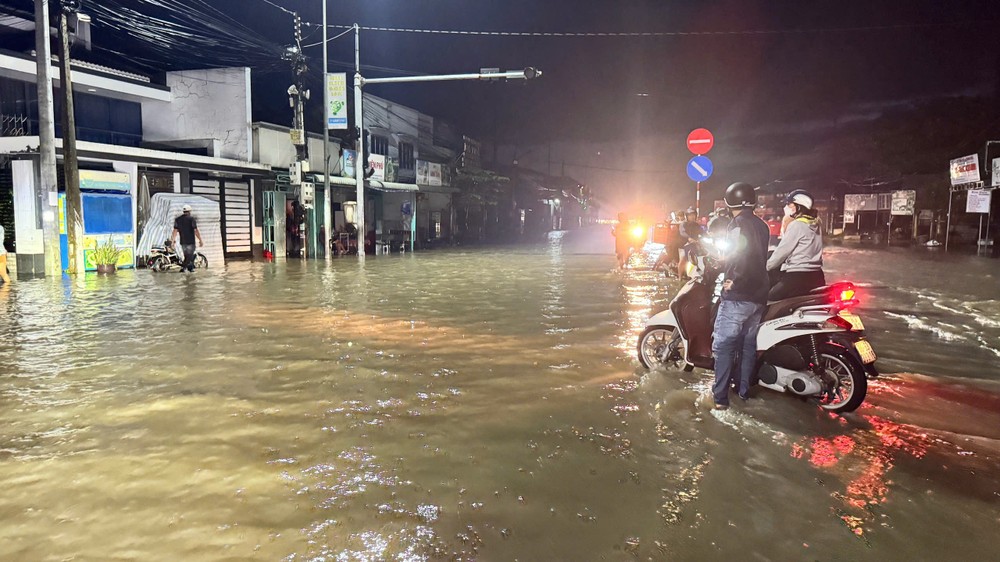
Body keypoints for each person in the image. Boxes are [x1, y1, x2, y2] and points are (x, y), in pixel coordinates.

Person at [712, 182, 770, 410]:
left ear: (729, 202)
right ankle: (743, 393)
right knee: (747, 345)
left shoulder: (736, 224)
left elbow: (740, 255)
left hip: (739, 295)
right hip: (759, 295)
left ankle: (720, 399)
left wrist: (733, 280)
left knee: (723, 345)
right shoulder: (762, 225)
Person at [766, 190, 825, 301]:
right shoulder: (816, 224)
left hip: (797, 277)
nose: (787, 207)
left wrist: (765, 267)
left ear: (799, 206)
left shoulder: (797, 225)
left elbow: (781, 252)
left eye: (789, 204)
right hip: (817, 275)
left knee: (770, 299)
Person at [172, 204, 203, 272]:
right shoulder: (191, 219)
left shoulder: (178, 220)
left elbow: (175, 231)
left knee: (186, 256)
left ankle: (190, 268)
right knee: (189, 256)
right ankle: (184, 268)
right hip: (190, 241)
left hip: (183, 241)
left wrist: (172, 241)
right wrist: (200, 240)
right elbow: (195, 230)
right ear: (189, 211)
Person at [677, 208, 705, 279]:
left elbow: (702, 232)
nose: (692, 217)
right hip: (683, 244)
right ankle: (679, 277)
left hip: (694, 244)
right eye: (690, 215)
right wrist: (688, 238)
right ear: (687, 216)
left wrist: (710, 235)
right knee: (683, 258)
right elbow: (682, 232)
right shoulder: (683, 224)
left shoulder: (696, 225)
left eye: (693, 215)